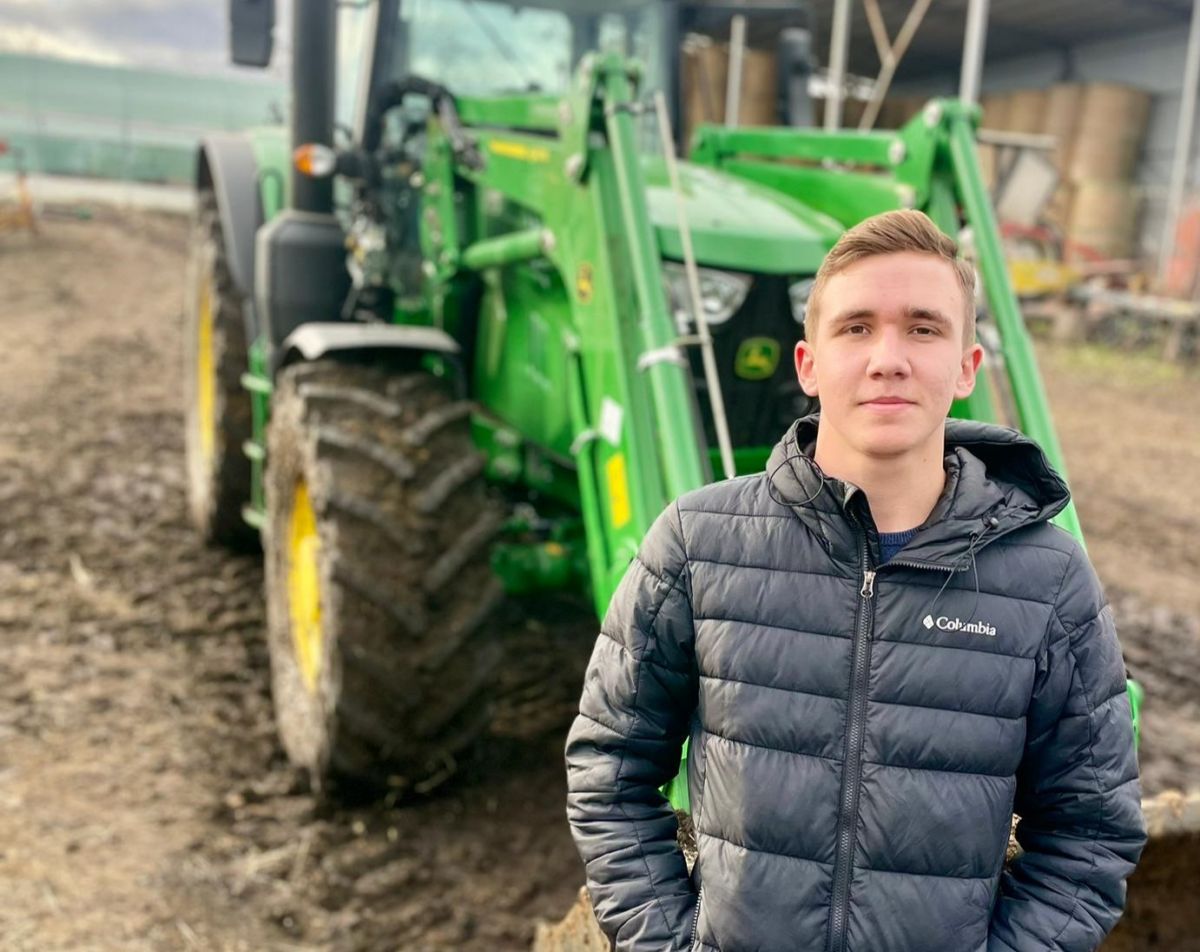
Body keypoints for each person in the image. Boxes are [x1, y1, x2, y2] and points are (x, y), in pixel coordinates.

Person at [564, 209, 1146, 952]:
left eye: (924, 329)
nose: (888, 359)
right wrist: (669, 943)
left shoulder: (1048, 580)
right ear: (809, 363)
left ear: (966, 367)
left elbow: (1090, 835)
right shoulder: (697, 543)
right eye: (857, 327)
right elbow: (609, 769)